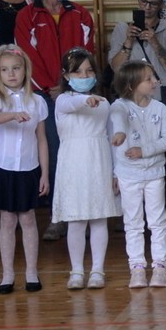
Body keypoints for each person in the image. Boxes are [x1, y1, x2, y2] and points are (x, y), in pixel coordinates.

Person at [15, 0, 93, 240]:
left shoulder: (81, 13)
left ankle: (84, 215)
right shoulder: (27, 16)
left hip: (77, 93)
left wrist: (68, 85)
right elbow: (28, 57)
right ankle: (58, 216)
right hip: (45, 96)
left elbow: (87, 53)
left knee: (81, 153)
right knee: (56, 154)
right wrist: (52, 87)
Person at [0, 46, 49, 293]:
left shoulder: (37, 101)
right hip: (3, 167)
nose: (11, 74)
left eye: (16, 68)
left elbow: (41, 140)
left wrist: (44, 174)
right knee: (8, 220)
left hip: (29, 168)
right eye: (5, 69)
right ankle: (7, 274)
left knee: (28, 219)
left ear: (25, 70)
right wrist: (11, 115)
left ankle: (31, 272)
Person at [51, 48, 119, 290]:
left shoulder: (104, 103)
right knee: (76, 220)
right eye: (78, 72)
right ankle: (77, 270)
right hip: (73, 165)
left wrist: (116, 172)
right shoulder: (62, 100)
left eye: (89, 71)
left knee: (99, 218)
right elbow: (73, 104)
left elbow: (112, 138)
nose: (84, 76)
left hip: (99, 162)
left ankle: (98, 269)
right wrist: (85, 100)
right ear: (66, 76)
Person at [110, 61, 166, 288]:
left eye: (154, 77)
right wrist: (120, 134)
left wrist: (144, 151)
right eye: (148, 79)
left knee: (158, 221)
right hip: (129, 175)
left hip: (155, 173)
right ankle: (137, 267)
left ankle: (160, 266)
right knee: (133, 222)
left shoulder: (160, 108)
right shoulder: (119, 106)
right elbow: (118, 119)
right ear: (131, 85)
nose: (155, 81)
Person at [108, 0, 166, 93]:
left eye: (153, 3)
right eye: (143, 1)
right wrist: (128, 42)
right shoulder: (122, 28)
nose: (147, 7)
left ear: (161, 4)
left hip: (161, 92)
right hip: (131, 92)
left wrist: (155, 44)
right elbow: (116, 68)